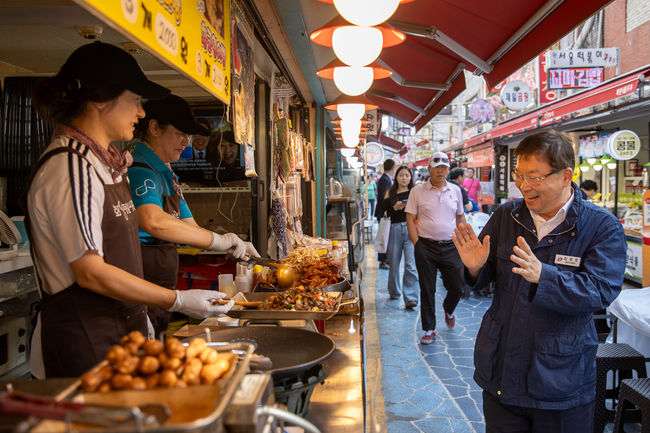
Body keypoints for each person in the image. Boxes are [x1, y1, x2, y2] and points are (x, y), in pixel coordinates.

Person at [26, 42, 234, 379]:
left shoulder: (105, 163)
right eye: (136, 100)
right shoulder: (71, 165)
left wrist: (145, 320)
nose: (140, 113)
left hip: (122, 331)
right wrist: (177, 300)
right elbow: (91, 272)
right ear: (101, 99)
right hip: (86, 342)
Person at [452, 130, 626, 433]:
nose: (524, 186)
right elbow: (481, 277)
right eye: (519, 176)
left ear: (566, 176)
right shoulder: (506, 216)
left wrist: (544, 276)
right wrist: (474, 269)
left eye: (534, 177)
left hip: (561, 382)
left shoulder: (601, 226)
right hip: (501, 374)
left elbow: (600, 291)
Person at [128, 94, 259, 335]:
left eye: (189, 135)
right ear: (154, 128)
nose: (186, 142)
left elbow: (191, 228)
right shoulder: (139, 169)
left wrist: (231, 243)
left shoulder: (166, 172)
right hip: (138, 287)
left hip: (159, 289)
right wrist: (218, 241)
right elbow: (153, 221)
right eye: (180, 133)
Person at [405, 152, 466, 344]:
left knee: (458, 286)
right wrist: (417, 244)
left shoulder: (455, 190)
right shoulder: (417, 191)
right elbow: (410, 218)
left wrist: (463, 240)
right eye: (437, 167)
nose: (441, 171)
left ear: (448, 170)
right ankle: (429, 329)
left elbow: (460, 216)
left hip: (451, 245)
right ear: (429, 169)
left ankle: (449, 308)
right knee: (427, 288)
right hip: (426, 247)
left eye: (444, 168)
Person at [379, 166, 418, 309]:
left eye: (407, 175)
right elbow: (381, 212)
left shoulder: (415, 192)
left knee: (411, 265)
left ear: (410, 177)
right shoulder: (390, 192)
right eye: (401, 175)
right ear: (396, 177)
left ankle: (411, 297)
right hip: (393, 229)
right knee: (394, 264)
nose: (404, 178)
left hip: (411, 229)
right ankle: (394, 292)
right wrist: (393, 208)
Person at [374, 159, 396, 269]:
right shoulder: (385, 180)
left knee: (385, 236)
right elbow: (384, 199)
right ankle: (382, 261)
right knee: (383, 236)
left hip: (384, 213)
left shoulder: (386, 179)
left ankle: (385, 259)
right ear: (393, 168)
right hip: (384, 213)